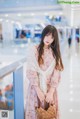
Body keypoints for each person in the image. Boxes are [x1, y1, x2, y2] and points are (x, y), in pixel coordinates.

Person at [25, 25, 64, 119]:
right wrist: (38, 91)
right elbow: (31, 71)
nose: (48, 39)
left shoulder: (55, 53)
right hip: (35, 90)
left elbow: (56, 73)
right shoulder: (34, 50)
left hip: (50, 91)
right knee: (36, 114)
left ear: (54, 39)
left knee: (49, 114)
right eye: (47, 35)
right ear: (43, 35)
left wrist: (51, 92)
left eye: (52, 37)